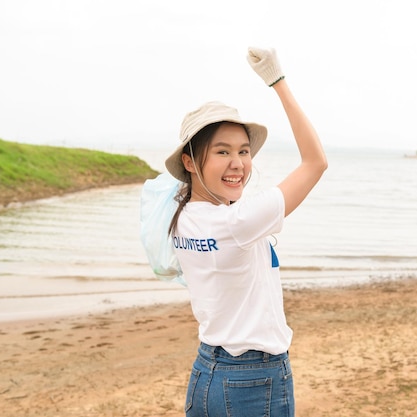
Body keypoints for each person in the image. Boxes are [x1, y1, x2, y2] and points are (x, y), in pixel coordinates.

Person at [164, 47, 327, 417]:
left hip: (208, 372)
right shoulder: (237, 222)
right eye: (222, 152)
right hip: (254, 378)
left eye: (243, 151)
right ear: (189, 161)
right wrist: (278, 81)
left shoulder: (184, 214)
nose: (237, 164)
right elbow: (316, 162)